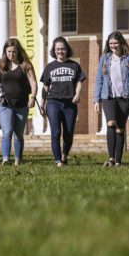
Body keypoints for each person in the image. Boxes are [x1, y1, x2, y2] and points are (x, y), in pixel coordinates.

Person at [0, 38, 37, 165]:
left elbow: (33, 82)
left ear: (18, 51)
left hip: (22, 105)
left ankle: (17, 160)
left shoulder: (25, 65)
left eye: (14, 52)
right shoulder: (0, 65)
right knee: (7, 132)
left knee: (19, 135)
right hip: (5, 104)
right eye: (9, 52)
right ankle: (5, 159)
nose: (11, 54)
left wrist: (32, 97)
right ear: (5, 51)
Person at [93, 31, 129, 167]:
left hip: (125, 97)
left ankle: (118, 160)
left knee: (120, 128)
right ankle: (111, 158)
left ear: (121, 43)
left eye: (115, 43)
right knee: (110, 123)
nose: (113, 46)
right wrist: (96, 99)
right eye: (110, 43)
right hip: (108, 96)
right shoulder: (104, 58)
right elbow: (99, 79)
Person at [41, 37, 86, 167]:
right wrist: (42, 104)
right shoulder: (49, 67)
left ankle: (64, 155)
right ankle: (57, 160)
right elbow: (45, 87)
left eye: (62, 49)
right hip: (53, 102)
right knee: (55, 132)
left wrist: (78, 94)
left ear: (67, 49)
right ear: (54, 51)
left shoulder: (74, 65)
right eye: (57, 49)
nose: (60, 51)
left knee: (69, 133)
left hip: (70, 104)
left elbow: (79, 82)